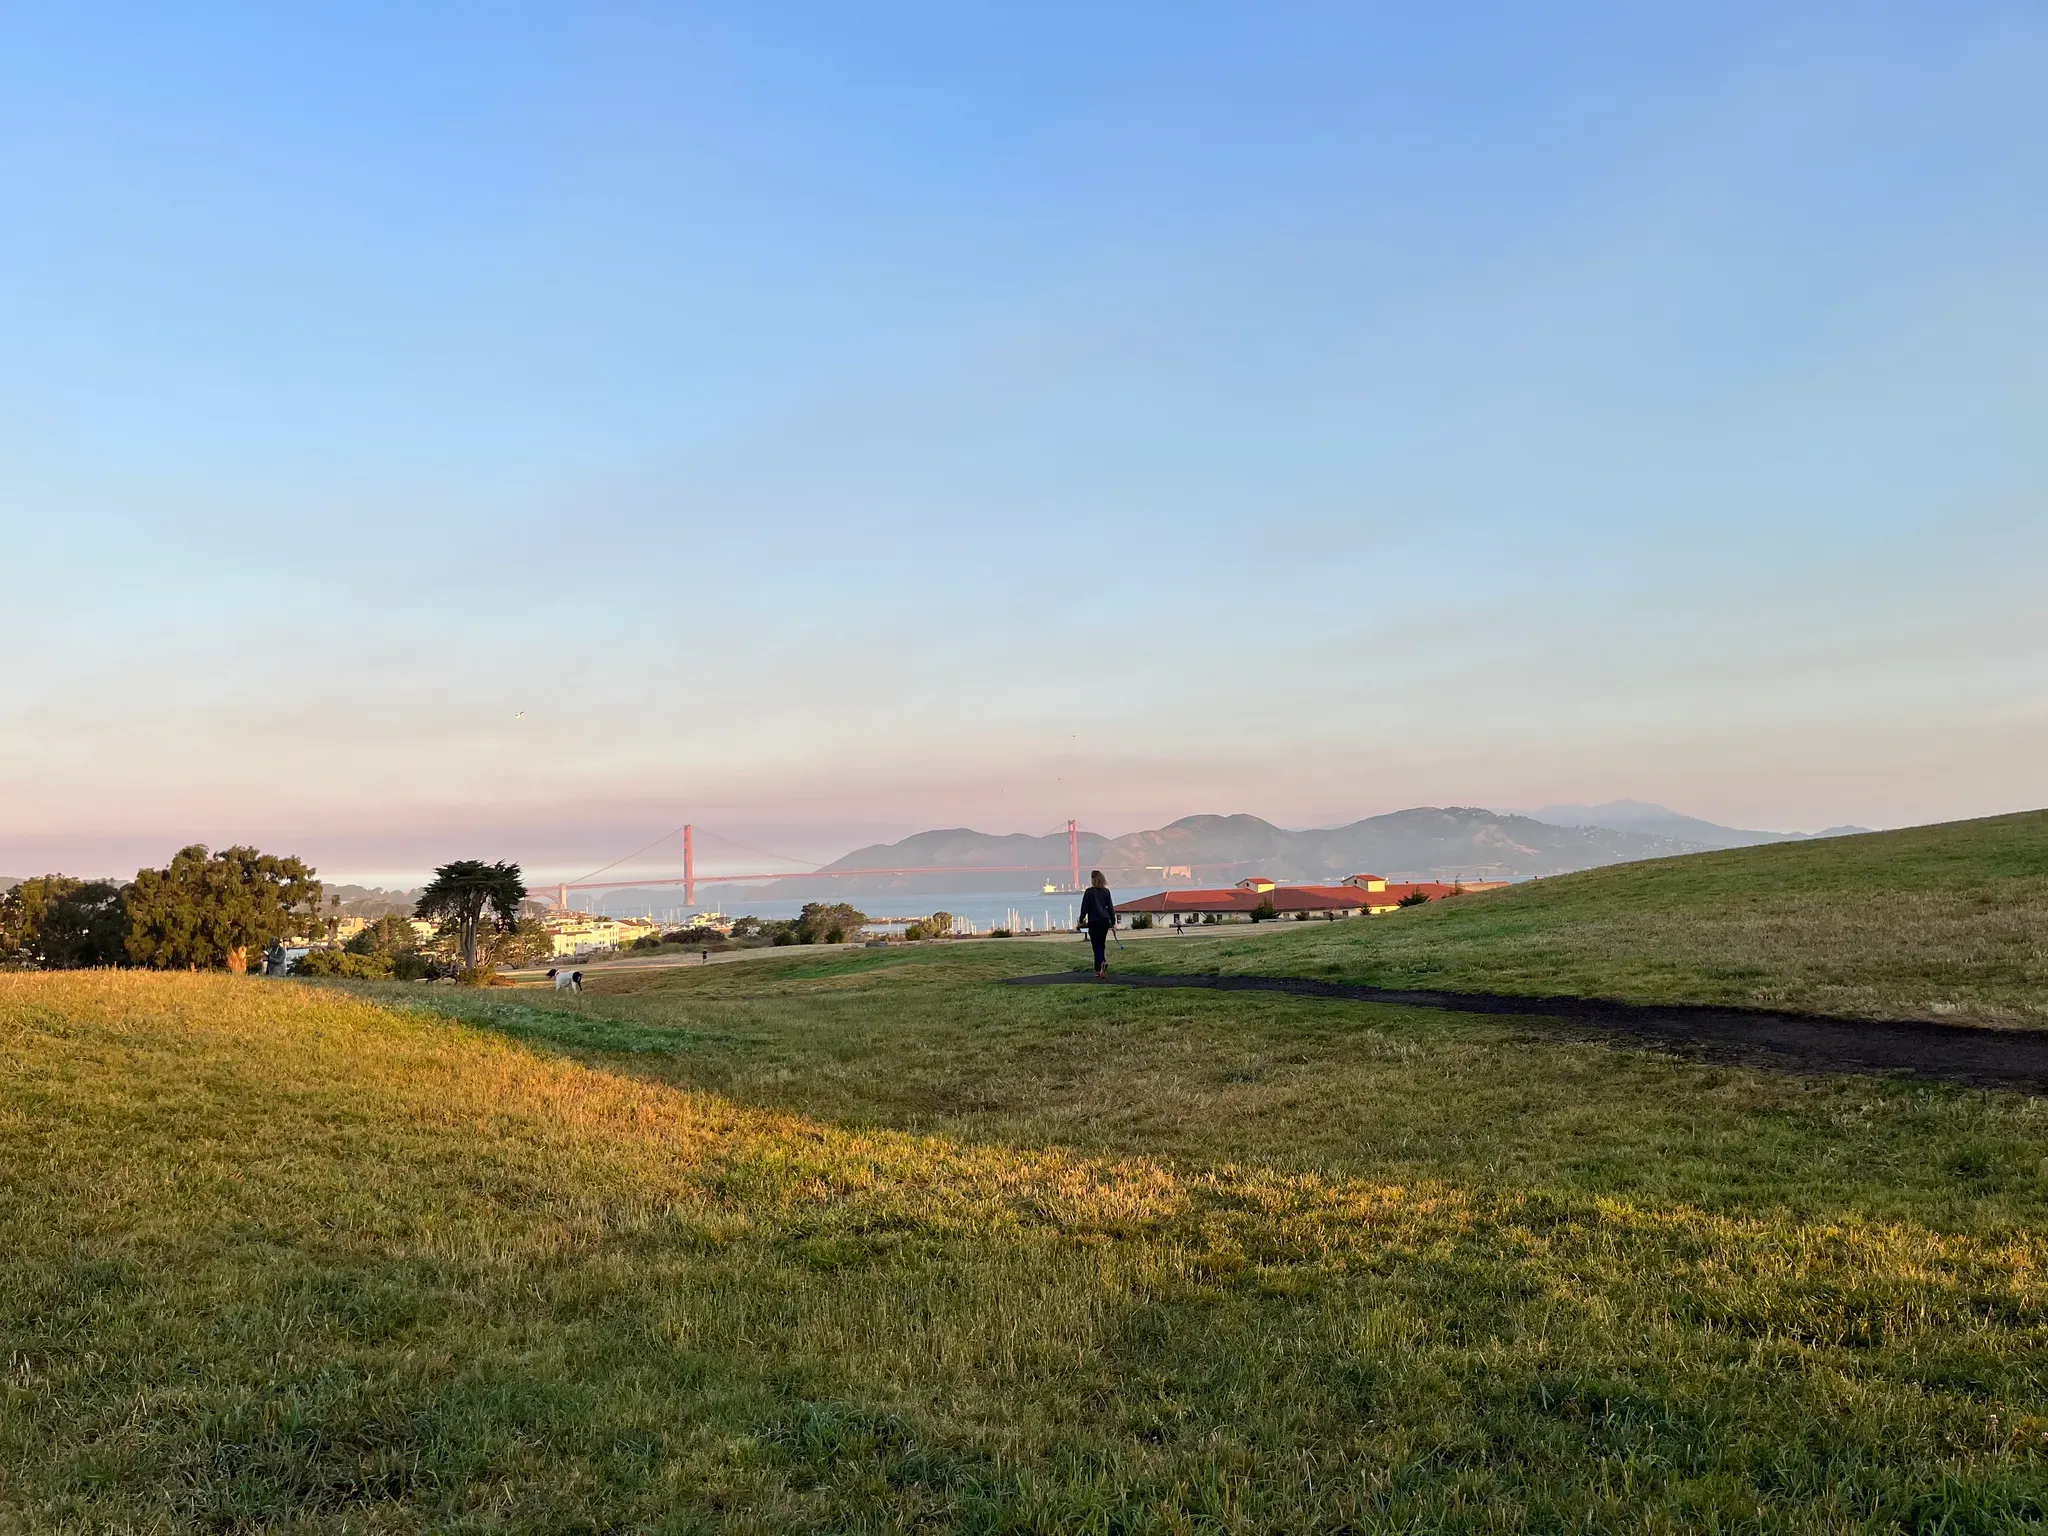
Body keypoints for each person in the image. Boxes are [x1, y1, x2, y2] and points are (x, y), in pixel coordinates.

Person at [1076, 869, 1117, 979]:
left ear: (1092, 879)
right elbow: (1110, 908)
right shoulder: (1106, 892)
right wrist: (1113, 922)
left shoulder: (1089, 892)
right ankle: (1099, 970)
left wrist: (1081, 920)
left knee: (1096, 945)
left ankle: (1101, 963)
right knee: (1101, 944)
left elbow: (1084, 908)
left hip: (1094, 921)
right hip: (1104, 921)